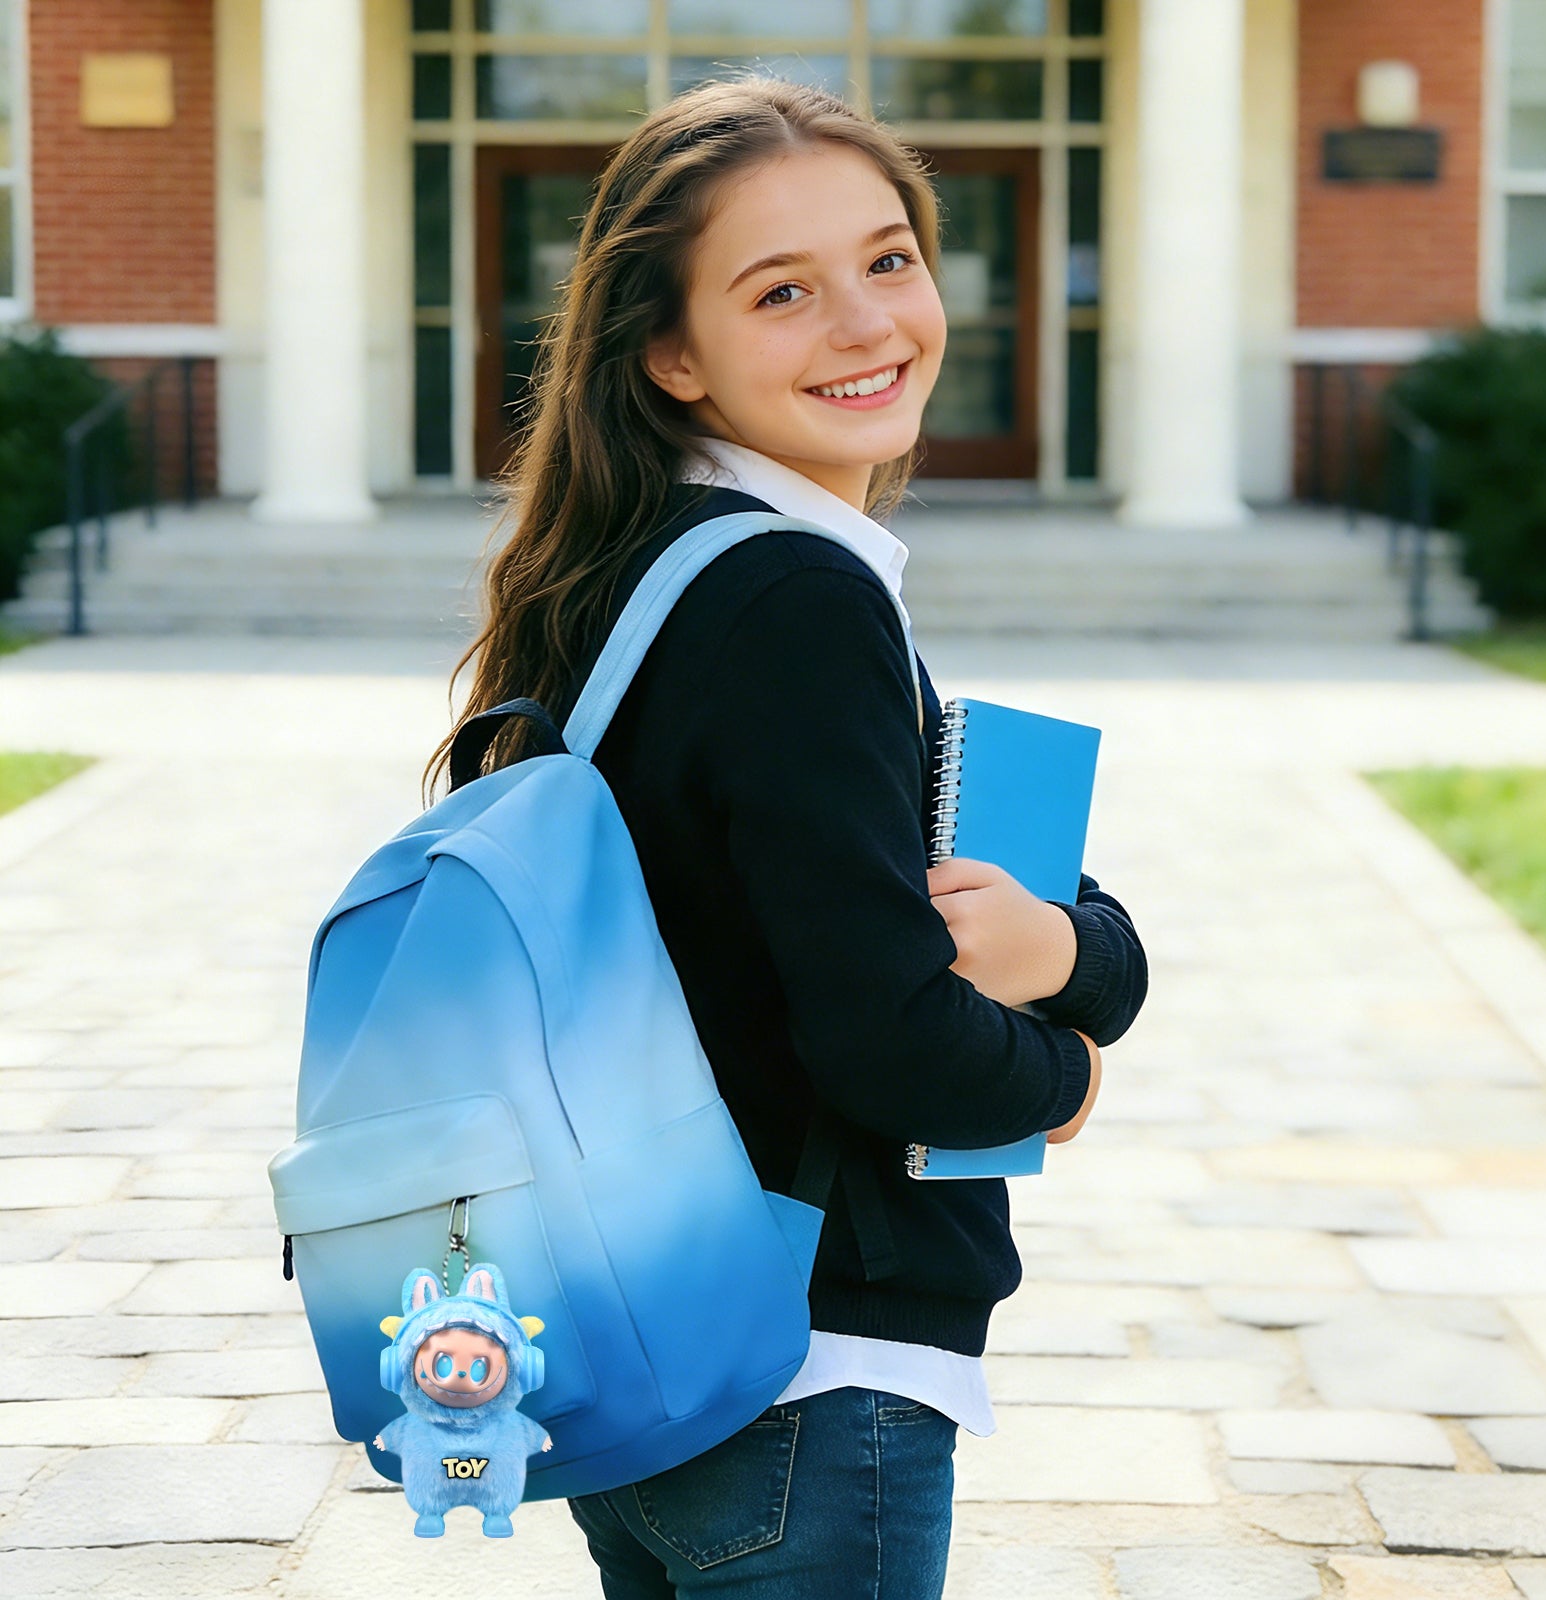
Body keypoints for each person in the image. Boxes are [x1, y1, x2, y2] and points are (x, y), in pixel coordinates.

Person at [425, 76, 1147, 1600]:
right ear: (674, 356)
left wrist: (1076, 947)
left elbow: (819, 926)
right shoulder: (794, 599)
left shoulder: (622, 576)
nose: (869, 324)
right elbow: (888, 1040)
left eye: (890, 260)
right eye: (782, 292)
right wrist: (1068, 1069)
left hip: (640, 1358)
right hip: (810, 1377)